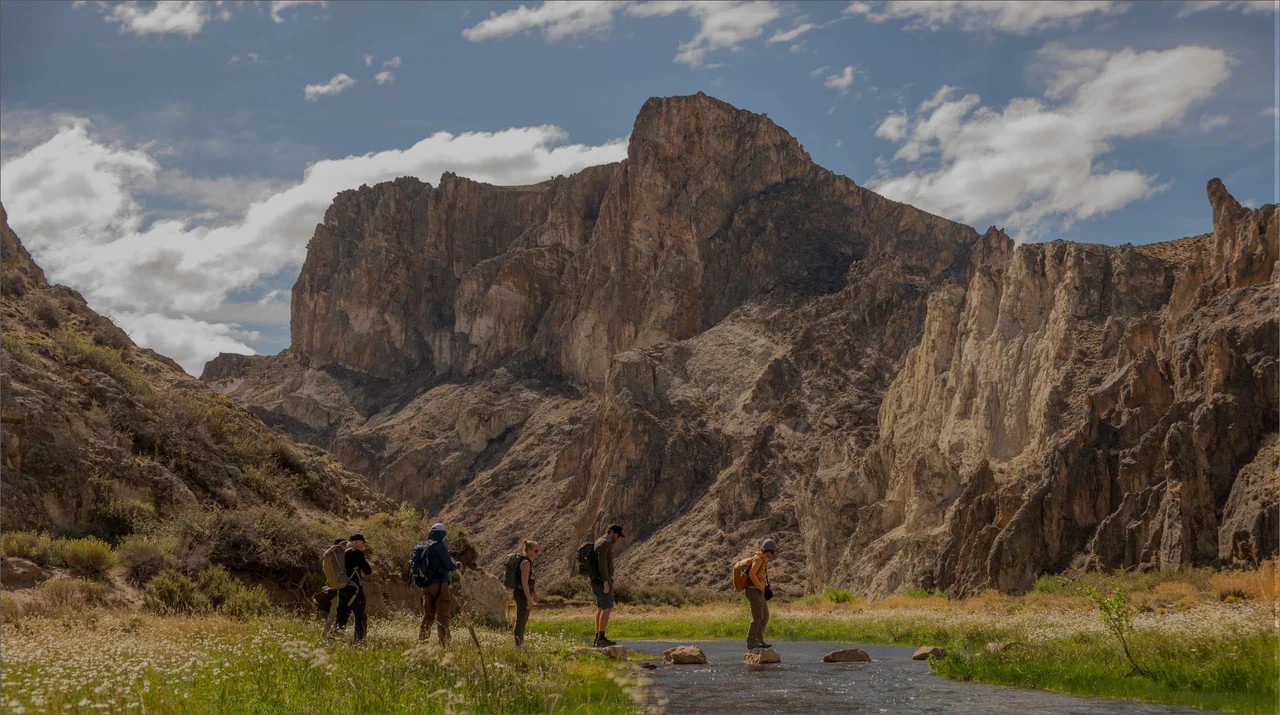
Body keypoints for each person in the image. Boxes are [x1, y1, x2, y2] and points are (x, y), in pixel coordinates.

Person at [419, 522, 462, 644]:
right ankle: (444, 645)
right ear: (441, 533)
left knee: (428, 615)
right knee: (443, 616)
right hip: (440, 586)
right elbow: (449, 566)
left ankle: (422, 642)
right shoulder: (440, 546)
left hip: (425, 586)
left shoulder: (423, 546)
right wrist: (457, 565)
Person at [335, 534, 372, 643]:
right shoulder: (356, 553)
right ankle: (359, 642)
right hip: (354, 589)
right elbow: (368, 570)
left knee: (341, 616)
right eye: (362, 542)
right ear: (356, 543)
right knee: (360, 616)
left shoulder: (343, 553)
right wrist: (362, 572)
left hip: (342, 588)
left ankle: (332, 639)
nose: (364, 544)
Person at [591, 523, 624, 647]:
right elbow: (602, 564)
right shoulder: (605, 543)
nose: (618, 538)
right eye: (618, 535)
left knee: (600, 608)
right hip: (602, 580)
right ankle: (601, 638)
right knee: (607, 608)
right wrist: (605, 581)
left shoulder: (600, 541)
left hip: (598, 580)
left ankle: (597, 638)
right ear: (612, 533)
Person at [745, 538, 775, 650]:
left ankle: (759, 640)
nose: (772, 554)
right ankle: (751, 642)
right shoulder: (758, 559)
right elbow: (752, 574)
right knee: (757, 617)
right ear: (768, 550)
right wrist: (759, 586)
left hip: (759, 591)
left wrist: (764, 585)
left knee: (765, 616)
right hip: (753, 591)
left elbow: (757, 576)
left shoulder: (763, 560)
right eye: (772, 552)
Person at [512, 539, 539, 648]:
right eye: (535, 550)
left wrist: (534, 595)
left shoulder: (527, 561)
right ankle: (519, 646)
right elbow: (524, 583)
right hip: (521, 593)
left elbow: (529, 582)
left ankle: (520, 643)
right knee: (521, 619)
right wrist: (529, 599)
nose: (537, 553)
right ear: (528, 550)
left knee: (523, 619)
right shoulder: (525, 563)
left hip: (523, 593)